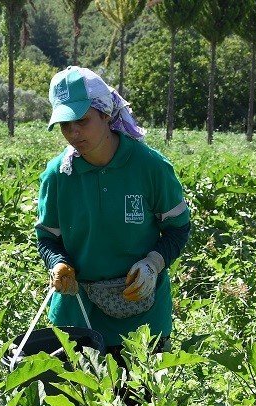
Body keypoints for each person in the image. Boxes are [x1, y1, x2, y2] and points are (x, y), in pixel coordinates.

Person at [35, 66, 191, 368]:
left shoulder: (150, 167)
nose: (74, 133)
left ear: (106, 114)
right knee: (77, 397)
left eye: (82, 121)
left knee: (139, 396)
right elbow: (47, 238)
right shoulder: (58, 175)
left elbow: (178, 228)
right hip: (77, 314)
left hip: (142, 318)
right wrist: (58, 263)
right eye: (65, 124)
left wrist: (152, 264)